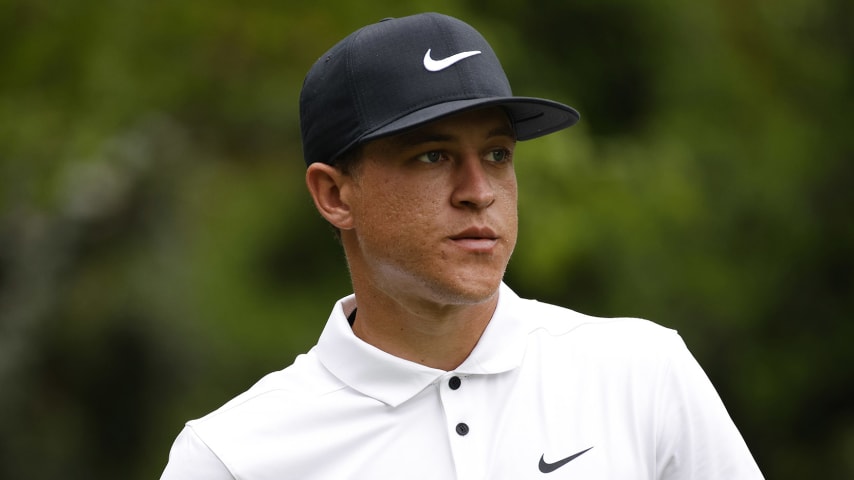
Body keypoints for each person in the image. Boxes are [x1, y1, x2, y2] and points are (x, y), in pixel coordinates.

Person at [160, 12, 763, 479]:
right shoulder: (232, 457)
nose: (479, 192)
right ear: (334, 196)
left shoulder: (643, 372)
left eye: (498, 154)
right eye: (433, 156)